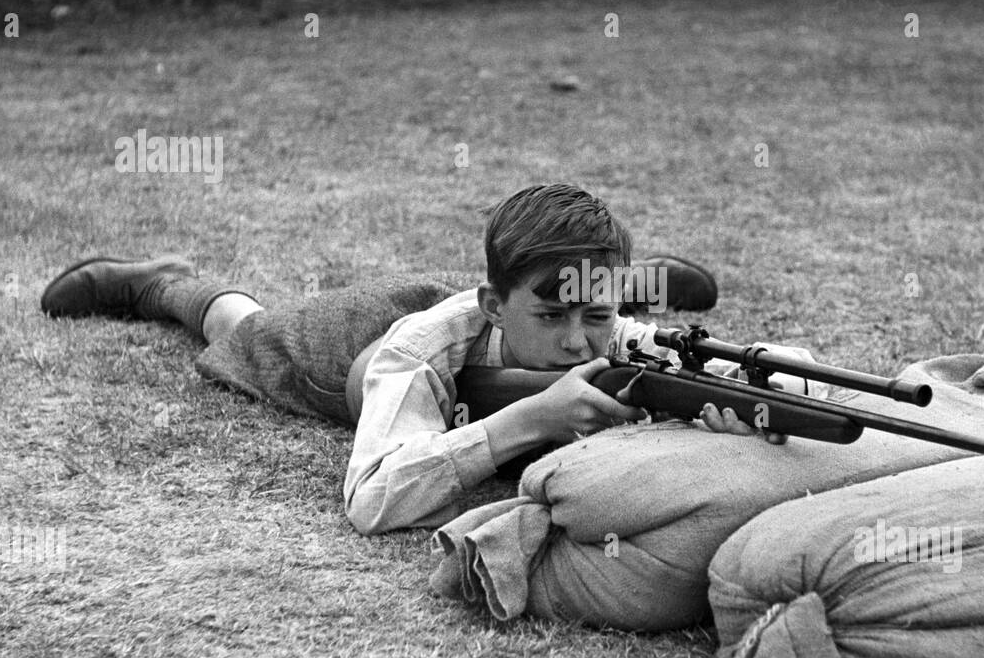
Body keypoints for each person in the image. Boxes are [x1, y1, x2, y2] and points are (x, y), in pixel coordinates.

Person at [40, 183, 801, 533]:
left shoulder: (604, 333)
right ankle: (167, 283)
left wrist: (753, 391)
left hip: (484, 311)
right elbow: (371, 501)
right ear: (499, 306)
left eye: (597, 313)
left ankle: (605, 277)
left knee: (584, 315)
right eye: (554, 316)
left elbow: (760, 375)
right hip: (352, 348)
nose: (578, 344)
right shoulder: (415, 350)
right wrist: (524, 422)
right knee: (249, 333)